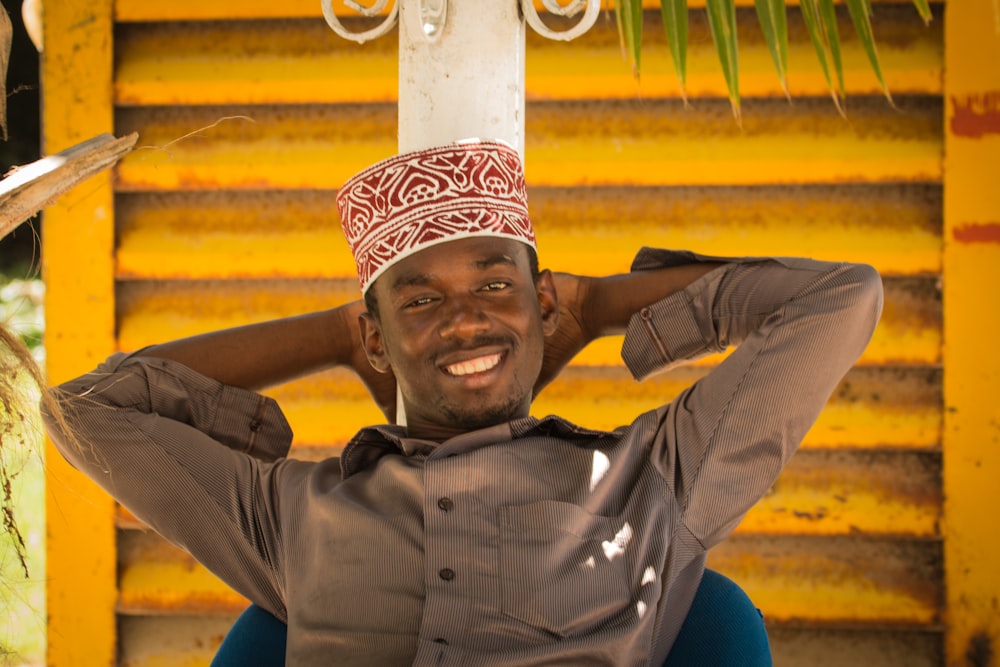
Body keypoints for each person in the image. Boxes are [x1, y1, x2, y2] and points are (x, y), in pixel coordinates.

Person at [45, 139, 883, 666]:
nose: (466, 318)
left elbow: (840, 298)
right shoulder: (288, 516)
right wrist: (339, 333)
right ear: (379, 340)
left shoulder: (656, 476)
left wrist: (597, 303)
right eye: (419, 302)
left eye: (494, 283)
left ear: (540, 304)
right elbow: (87, 409)